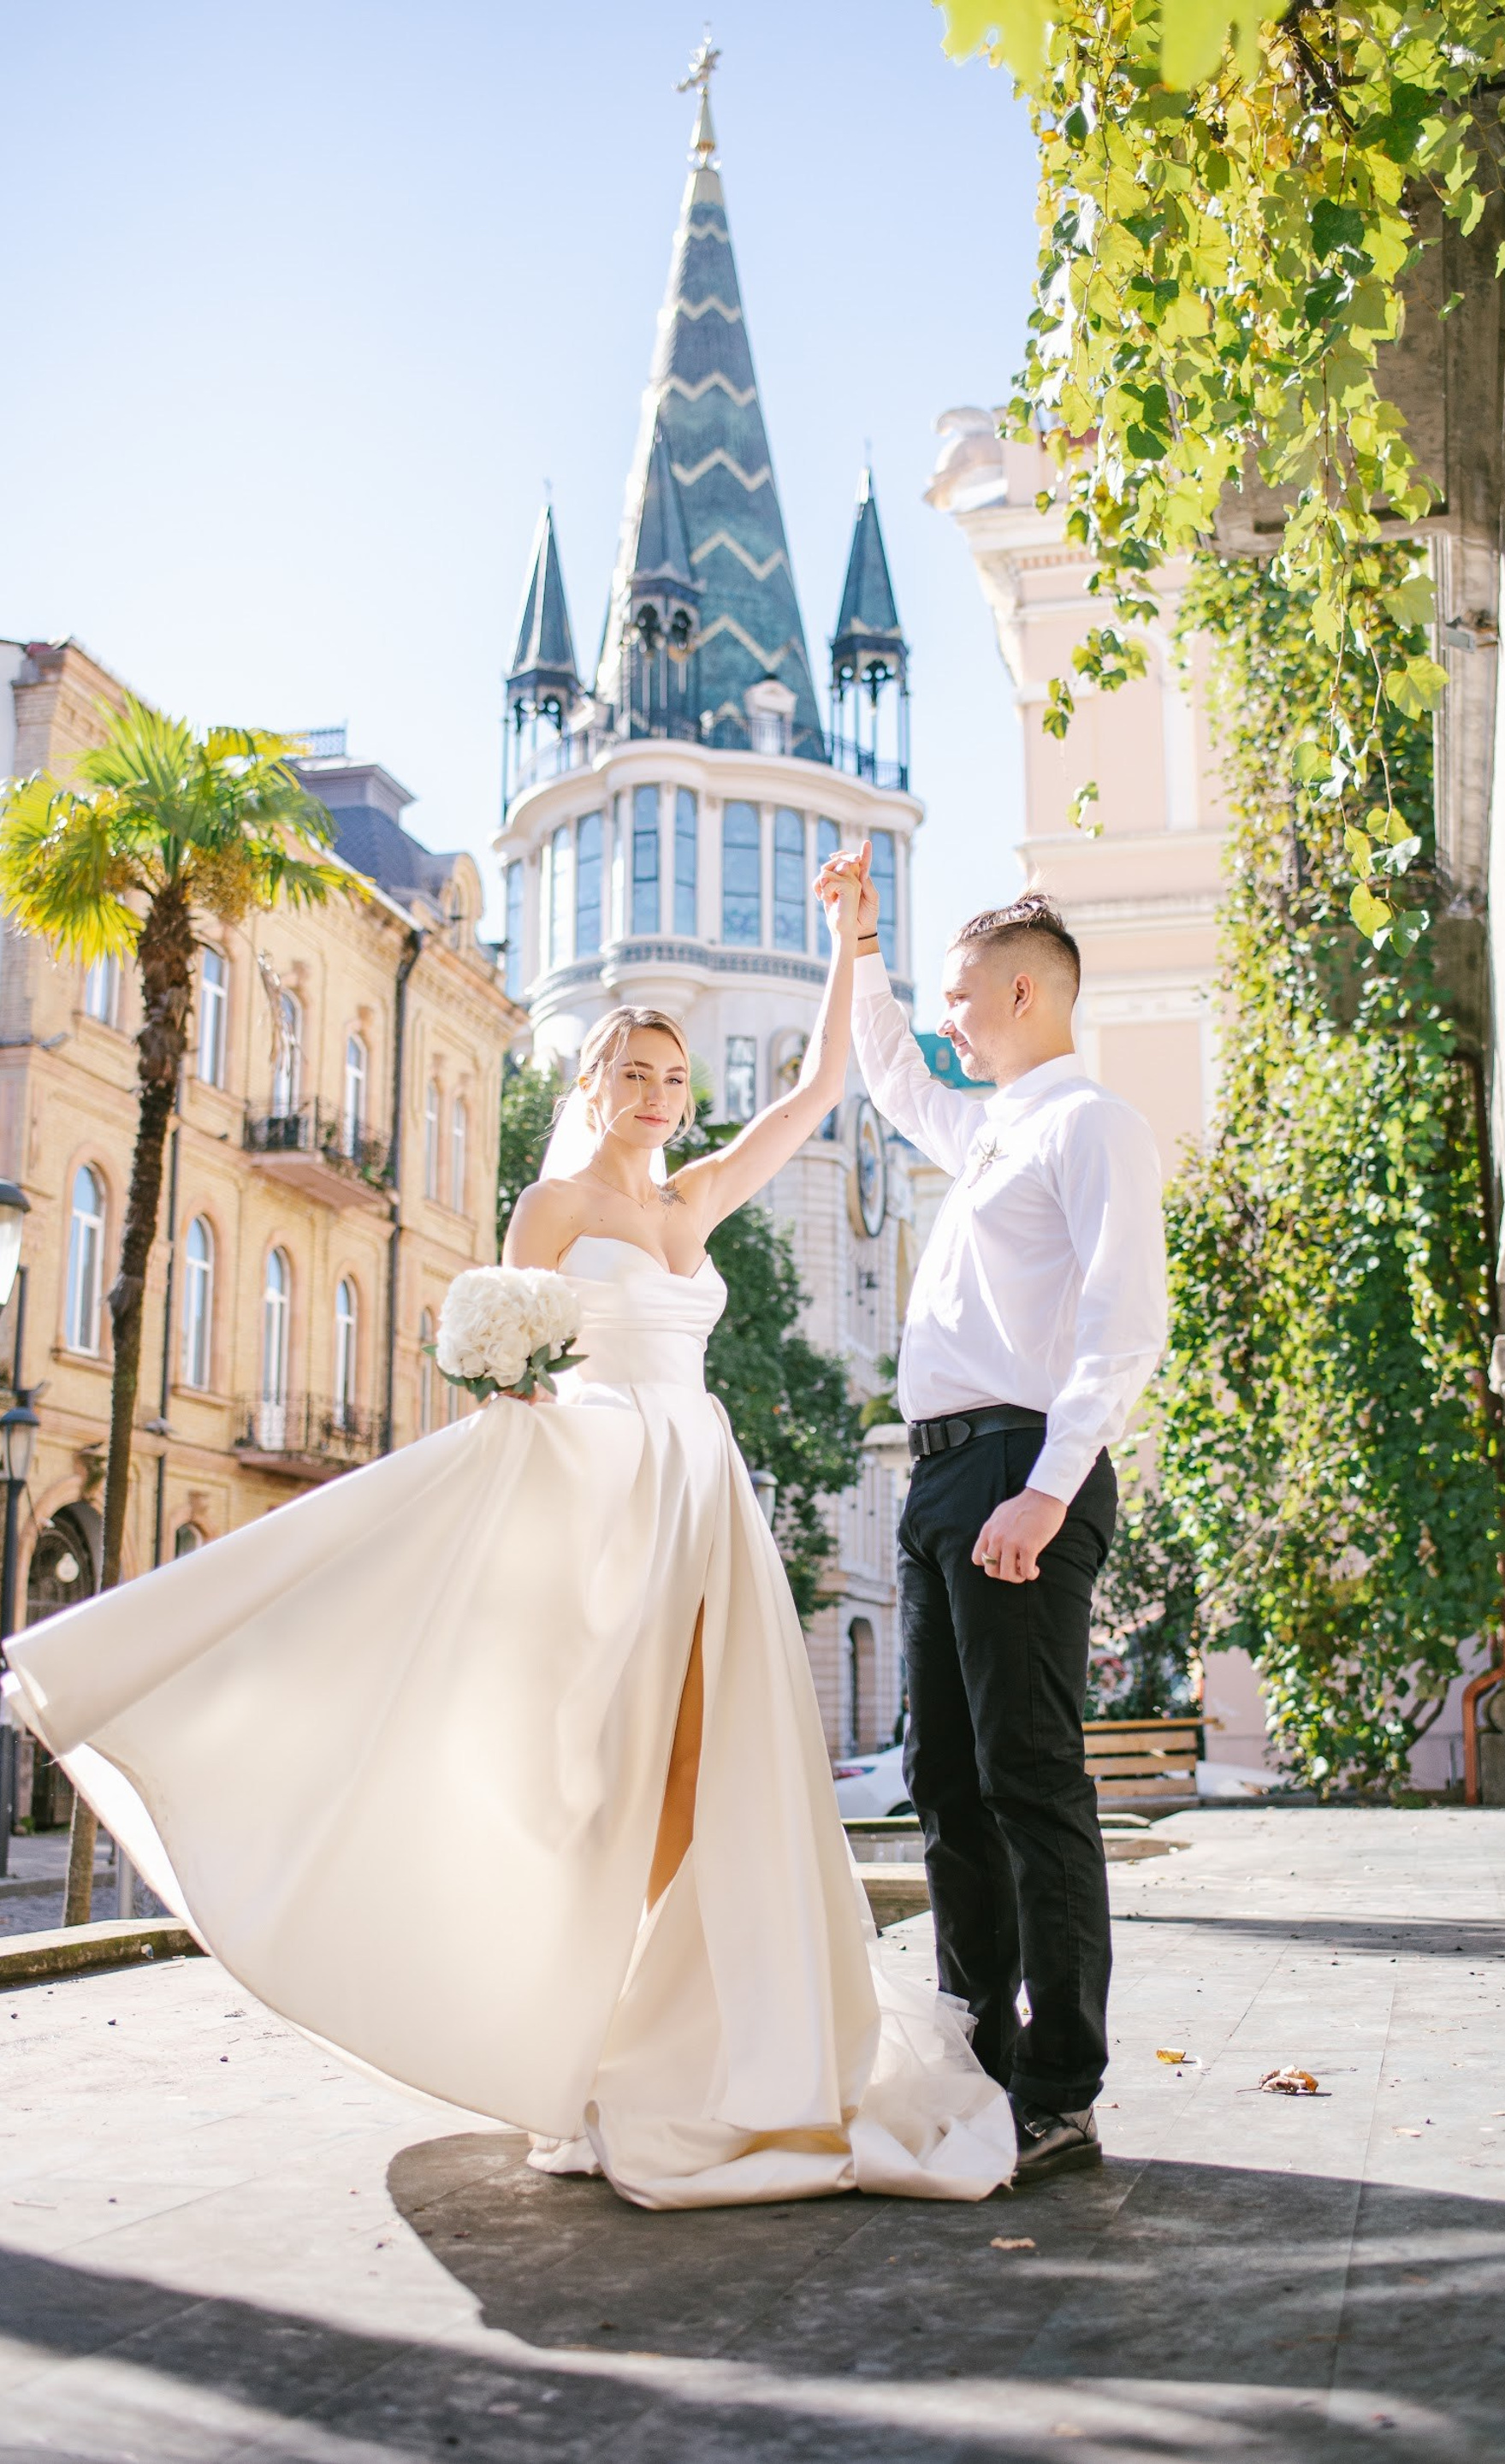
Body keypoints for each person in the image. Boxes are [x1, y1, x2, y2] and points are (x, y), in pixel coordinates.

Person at [3, 854, 1015, 2212]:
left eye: (673, 1080)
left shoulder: (695, 1198)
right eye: (635, 1076)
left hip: (705, 1493)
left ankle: (690, 2036)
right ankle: (573, 2030)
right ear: (589, 1087)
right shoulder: (558, 1208)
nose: (660, 1097)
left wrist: (857, 936)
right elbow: (507, 1348)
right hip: (600, 1500)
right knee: (599, 1769)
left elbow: (820, 1087)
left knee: (716, 1771)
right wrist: (512, 1384)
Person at [826, 853, 1166, 2177]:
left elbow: (1122, 1323)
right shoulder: (989, 1127)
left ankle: (1060, 2088)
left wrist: (1050, 1483)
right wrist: (862, 940)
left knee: (1031, 1784)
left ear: (1025, 992)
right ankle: (975, 2062)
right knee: (946, 1787)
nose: (944, 1017)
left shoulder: (1090, 1126)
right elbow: (890, 1074)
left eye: (959, 996)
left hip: (1026, 1470)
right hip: (940, 1480)